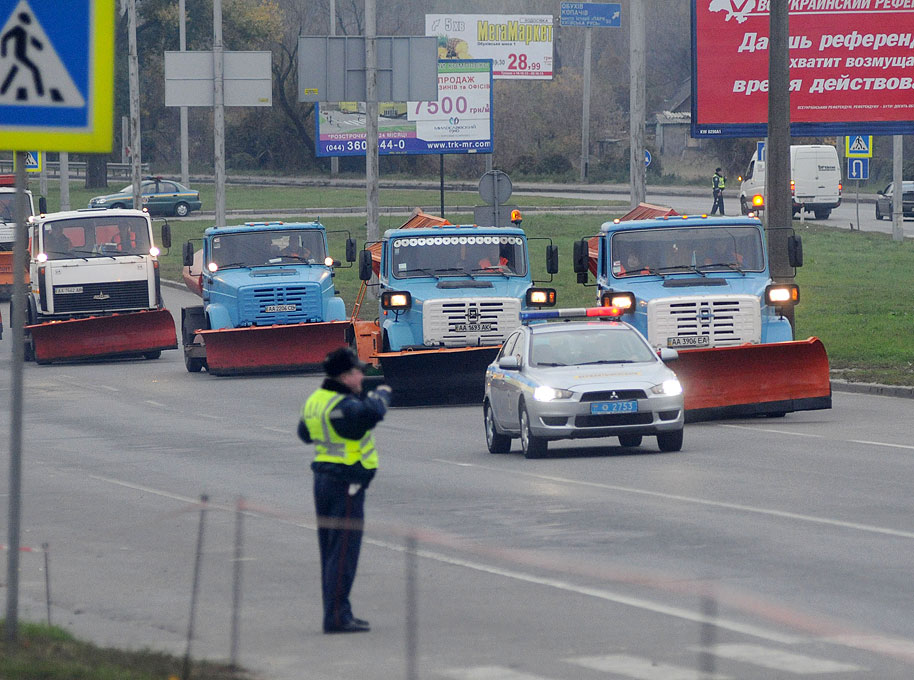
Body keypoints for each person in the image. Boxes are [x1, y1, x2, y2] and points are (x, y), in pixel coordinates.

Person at [298, 347, 392, 634]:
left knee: (330, 550)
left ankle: (339, 611)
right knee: (342, 553)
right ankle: (337, 616)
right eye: (358, 371)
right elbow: (371, 415)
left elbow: (304, 433)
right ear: (345, 375)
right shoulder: (344, 405)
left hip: (324, 480)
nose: (362, 375)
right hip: (345, 483)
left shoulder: (317, 400)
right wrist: (381, 395)